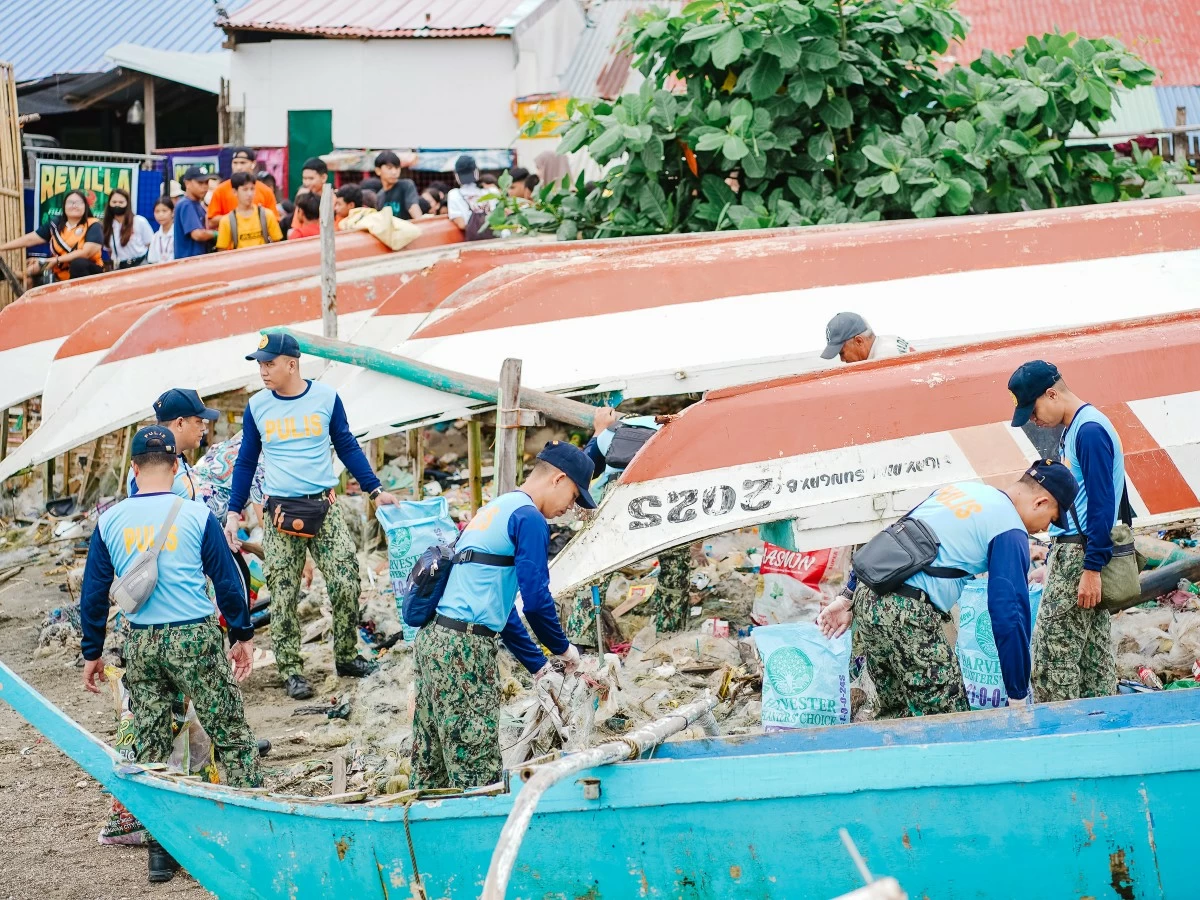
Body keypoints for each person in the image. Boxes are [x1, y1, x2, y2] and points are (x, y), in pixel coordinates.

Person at [80, 426, 260, 883]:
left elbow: (94, 592)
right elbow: (227, 581)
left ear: (134, 468)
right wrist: (242, 634)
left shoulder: (110, 520)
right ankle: (253, 834)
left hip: (141, 641)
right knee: (230, 733)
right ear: (177, 467)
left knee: (151, 743)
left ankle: (162, 851)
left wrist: (92, 651)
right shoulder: (196, 515)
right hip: (193, 638)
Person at [819, 461, 1078, 718]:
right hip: (906, 613)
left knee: (896, 714)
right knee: (950, 720)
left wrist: (847, 596)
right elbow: (1009, 614)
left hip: (869, 597)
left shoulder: (960, 491)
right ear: (1040, 502)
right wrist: (1018, 693)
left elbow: (894, 536)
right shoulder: (1009, 528)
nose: (1045, 529)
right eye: (1052, 519)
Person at [410, 440, 591, 790]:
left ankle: (425, 820)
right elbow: (536, 601)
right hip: (463, 651)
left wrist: (538, 666)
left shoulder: (496, 508)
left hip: (434, 641)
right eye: (573, 496)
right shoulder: (530, 519)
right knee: (477, 769)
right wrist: (565, 650)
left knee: (432, 762)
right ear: (558, 479)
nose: (569, 508)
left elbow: (499, 607)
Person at [225, 332, 398, 699]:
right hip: (280, 513)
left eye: (269, 363)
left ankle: (347, 656)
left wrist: (375, 490)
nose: (263, 371)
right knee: (283, 593)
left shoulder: (326, 398)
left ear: (292, 364)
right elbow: (246, 462)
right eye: (260, 364)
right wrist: (234, 512)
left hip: (324, 507)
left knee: (346, 581)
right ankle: (291, 669)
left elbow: (347, 445)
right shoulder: (257, 406)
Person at [1009, 361, 1124, 702]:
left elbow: (1103, 504)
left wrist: (1092, 567)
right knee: (1091, 658)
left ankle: (1059, 729)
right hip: (1078, 550)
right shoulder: (1078, 429)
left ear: (1052, 394)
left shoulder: (1089, 431)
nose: (1033, 419)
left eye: (1033, 410)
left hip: (1080, 553)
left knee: (1051, 658)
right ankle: (1101, 722)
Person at [565, 408, 693, 642]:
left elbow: (585, 466)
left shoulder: (612, 432)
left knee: (596, 567)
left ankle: (581, 639)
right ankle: (670, 634)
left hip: (617, 496)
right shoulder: (678, 431)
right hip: (664, 497)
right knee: (674, 566)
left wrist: (598, 431)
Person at [127, 389, 219, 500]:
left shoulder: (178, 459)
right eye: (199, 421)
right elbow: (145, 508)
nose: (203, 428)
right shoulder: (152, 465)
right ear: (180, 423)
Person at [0, 189, 102, 283]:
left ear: (85, 206)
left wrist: (55, 260)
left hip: (88, 274)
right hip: (59, 272)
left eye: (79, 202)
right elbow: (30, 239)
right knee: (36, 267)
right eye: (70, 202)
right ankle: (17, 275)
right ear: (64, 206)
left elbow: (86, 253)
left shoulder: (94, 225)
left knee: (78, 263)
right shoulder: (56, 224)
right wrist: (2, 247)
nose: (74, 205)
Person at [206, 148, 279, 227]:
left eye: (243, 163)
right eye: (235, 163)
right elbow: (211, 221)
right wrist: (237, 218)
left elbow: (275, 221)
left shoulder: (265, 191)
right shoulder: (221, 190)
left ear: (253, 164)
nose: (238, 167)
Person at [215, 172, 283, 250]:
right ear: (235, 192)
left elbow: (278, 244)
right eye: (245, 189)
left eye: (252, 189)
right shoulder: (227, 221)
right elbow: (221, 251)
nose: (249, 194)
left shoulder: (267, 215)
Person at [820, 312, 914, 363]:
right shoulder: (890, 339)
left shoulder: (882, 360)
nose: (842, 360)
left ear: (859, 341)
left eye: (842, 353)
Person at [102, 188, 154, 270]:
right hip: (119, 268)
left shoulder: (139, 221)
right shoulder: (108, 225)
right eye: (114, 202)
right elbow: (109, 250)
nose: (117, 205)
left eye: (121, 202)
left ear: (127, 203)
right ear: (109, 203)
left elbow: (151, 244)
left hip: (140, 265)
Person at [173, 167, 216, 259]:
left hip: (196, 261)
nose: (204, 186)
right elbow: (197, 234)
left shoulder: (197, 204)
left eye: (206, 182)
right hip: (188, 262)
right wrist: (217, 234)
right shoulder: (186, 204)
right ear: (187, 183)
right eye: (200, 183)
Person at [372, 150, 421, 219]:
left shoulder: (406, 186)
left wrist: (420, 221)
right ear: (378, 171)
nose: (394, 172)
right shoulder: (379, 197)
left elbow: (413, 207)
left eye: (397, 168)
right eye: (389, 168)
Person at [147, 197, 175, 264]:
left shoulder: (178, 234)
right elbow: (152, 260)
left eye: (164, 211)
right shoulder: (155, 236)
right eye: (157, 211)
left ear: (173, 212)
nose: (160, 215)